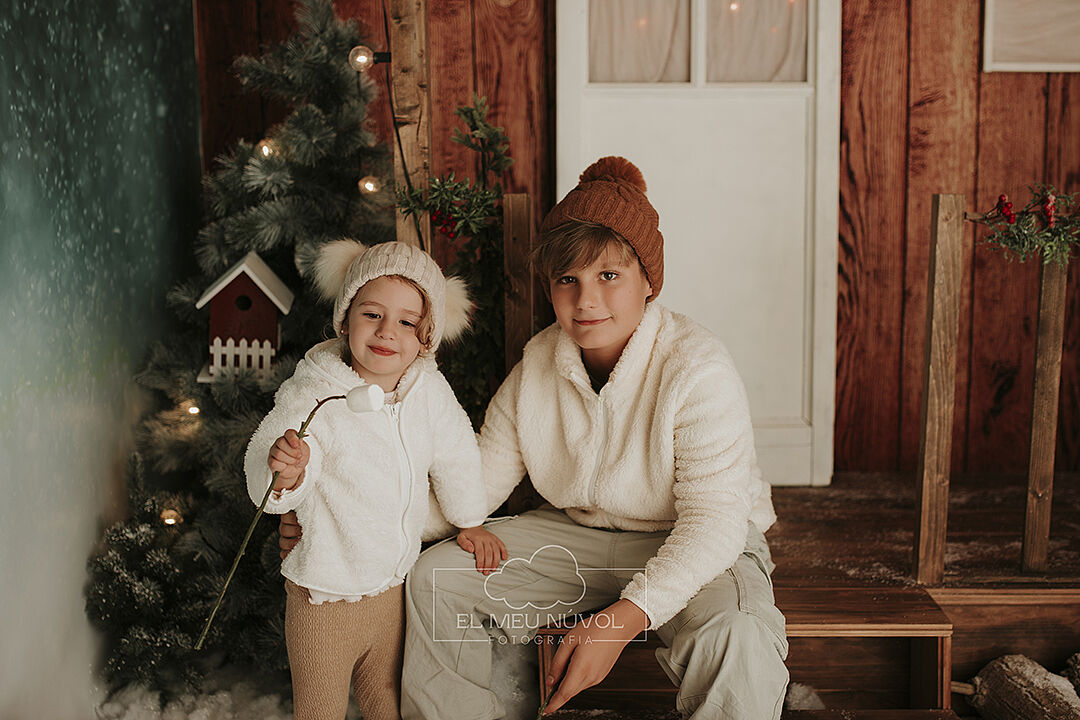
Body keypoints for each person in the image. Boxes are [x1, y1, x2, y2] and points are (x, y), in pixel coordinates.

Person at [281, 157, 789, 719]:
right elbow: (476, 484)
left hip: (694, 540)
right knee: (436, 579)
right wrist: (336, 521)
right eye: (567, 279)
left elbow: (715, 523)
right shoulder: (541, 361)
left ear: (649, 280)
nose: (586, 301)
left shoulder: (697, 367)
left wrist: (622, 620)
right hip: (578, 538)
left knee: (737, 632)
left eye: (609, 276)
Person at [246, 240, 507, 720]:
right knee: (319, 711)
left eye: (407, 322)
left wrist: (470, 520)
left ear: (425, 339)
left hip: (391, 593)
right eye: (372, 315)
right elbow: (272, 467)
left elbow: (456, 454)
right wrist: (286, 469)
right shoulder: (317, 393)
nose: (388, 332)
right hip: (323, 598)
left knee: (387, 705)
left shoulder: (426, 389)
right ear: (345, 321)